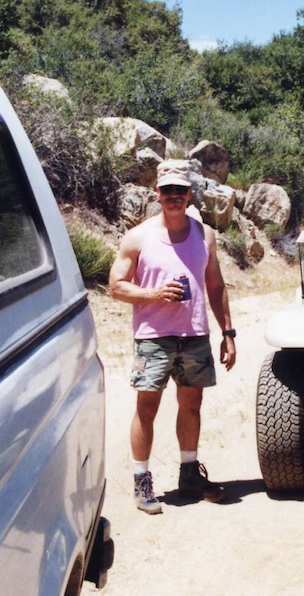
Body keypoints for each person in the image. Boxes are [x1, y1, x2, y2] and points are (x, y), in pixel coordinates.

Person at [109, 161, 237, 514]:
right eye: (168, 190)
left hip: (194, 334)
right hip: (153, 337)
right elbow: (116, 286)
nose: (174, 196)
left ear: (190, 194)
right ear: (158, 194)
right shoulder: (138, 237)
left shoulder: (204, 234)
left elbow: (216, 285)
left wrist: (228, 333)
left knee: (191, 405)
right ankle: (141, 481)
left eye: (180, 190)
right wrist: (153, 294)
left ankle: (189, 475)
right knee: (147, 408)